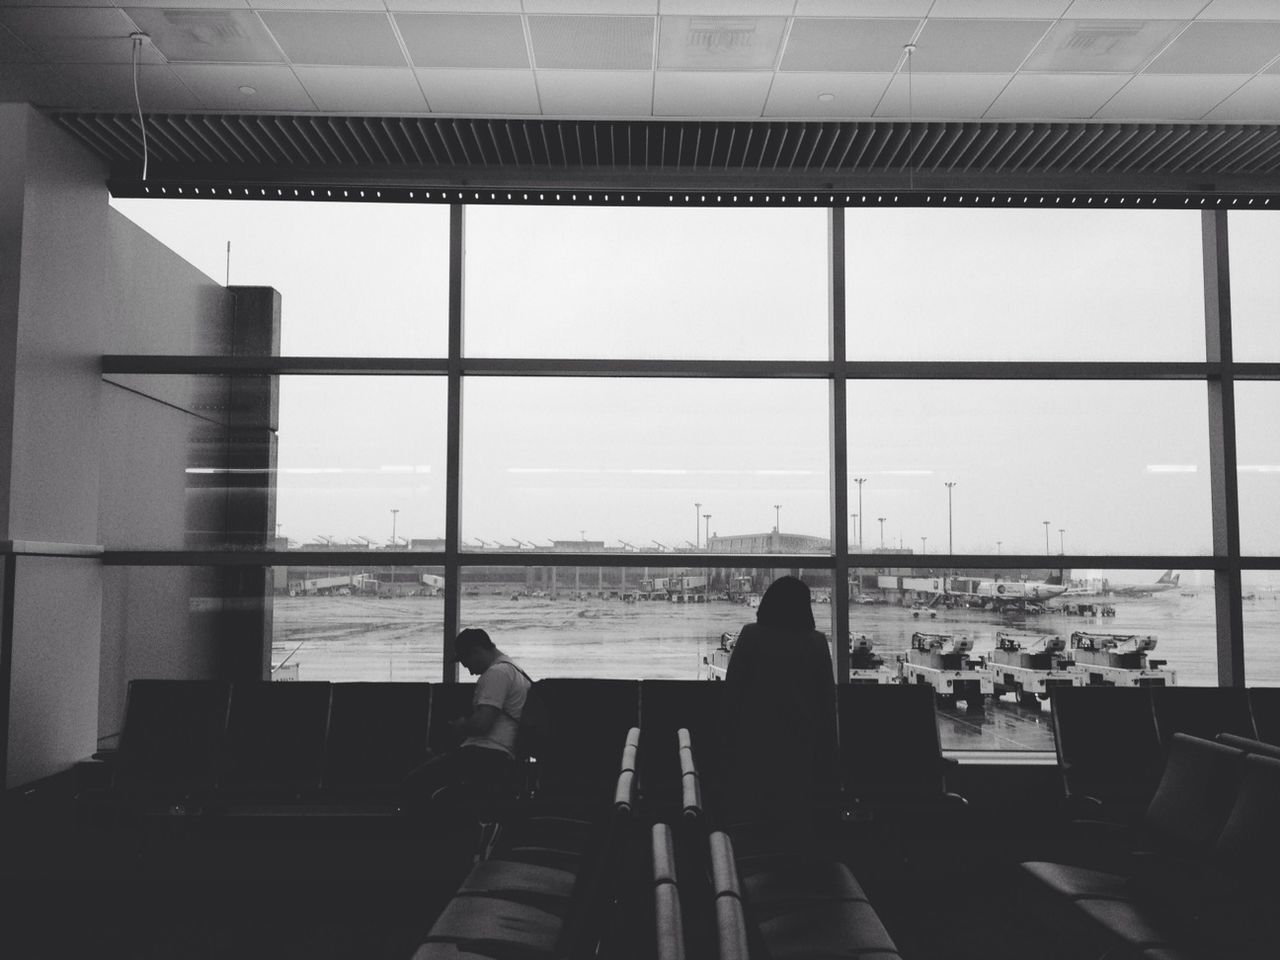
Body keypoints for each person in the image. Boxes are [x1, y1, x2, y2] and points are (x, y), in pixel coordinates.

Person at [719, 575, 838, 850]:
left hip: (753, 760)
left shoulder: (750, 637)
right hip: (802, 765)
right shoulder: (817, 644)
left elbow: (731, 700)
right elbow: (827, 711)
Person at [405, 627, 531, 810]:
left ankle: (424, 836)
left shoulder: (497, 674)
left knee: (414, 783)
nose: (471, 672)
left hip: (486, 754)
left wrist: (461, 725)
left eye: (467, 663)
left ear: (477, 651)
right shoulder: (515, 670)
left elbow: (482, 724)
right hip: (500, 754)